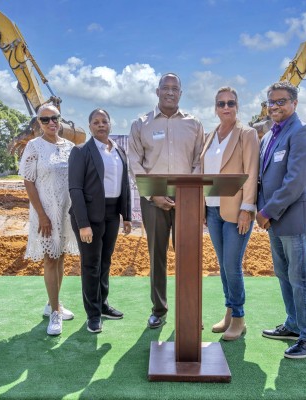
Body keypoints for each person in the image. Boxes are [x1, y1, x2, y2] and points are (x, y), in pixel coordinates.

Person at [128, 73, 205, 329]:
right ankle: (158, 310)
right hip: (153, 198)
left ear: (181, 93)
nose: (170, 92)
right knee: (157, 255)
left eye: (175, 88)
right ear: (157, 91)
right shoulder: (141, 124)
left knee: (187, 256)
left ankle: (189, 310)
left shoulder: (194, 124)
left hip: (186, 199)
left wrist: (188, 193)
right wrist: (153, 194)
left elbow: (198, 161)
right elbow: (135, 162)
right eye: (166, 88)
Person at [255, 81, 306, 359]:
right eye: (271, 102)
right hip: (275, 219)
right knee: (284, 275)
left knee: (301, 278)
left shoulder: (302, 132)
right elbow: (263, 179)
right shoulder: (271, 135)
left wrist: (267, 211)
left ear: (294, 103)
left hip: (293, 217)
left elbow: (295, 181)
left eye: (281, 101)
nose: (275, 106)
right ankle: (294, 325)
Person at [201, 87, 260, 341]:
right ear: (215, 108)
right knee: (222, 266)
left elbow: (251, 172)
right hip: (213, 209)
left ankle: (239, 318)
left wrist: (247, 208)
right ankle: (228, 313)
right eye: (221, 103)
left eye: (231, 103)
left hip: (236, 209)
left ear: (237, 106)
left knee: (231, 265)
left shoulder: (247, 134)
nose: (226, 107)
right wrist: (203, 207)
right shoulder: (210, 135)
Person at [68, 109, 132, 334]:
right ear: (90, 126)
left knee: (105, 262)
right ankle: (93, 314)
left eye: (104, 121)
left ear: (110, 125)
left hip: (113, 214)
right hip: (89, 216)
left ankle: (103, 305)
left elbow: (124, 185)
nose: (101, 125)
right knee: (91, 265)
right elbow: (75, 189)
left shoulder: (119, 151)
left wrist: (127, 216)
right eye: (96, 122)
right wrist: (83, 223)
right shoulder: (81, 152)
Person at [19, 103, 79, 336]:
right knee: (50, 259)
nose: (52, 123)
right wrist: (43, 215)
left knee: (61, 256)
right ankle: (54, 313)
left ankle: (53, 303)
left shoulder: (71, 147)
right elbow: (29, 182)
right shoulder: (34, 147)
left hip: (65, 212)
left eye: (55, 118)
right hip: (45, 213)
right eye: (45, 120)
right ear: (39, 123)